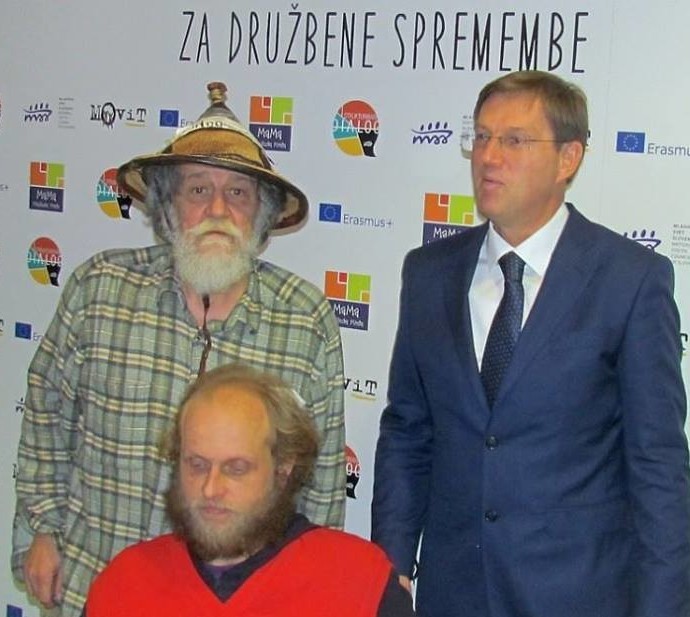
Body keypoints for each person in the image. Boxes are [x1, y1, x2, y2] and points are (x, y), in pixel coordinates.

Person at [12, 82, 346, 617]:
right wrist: (42, 529)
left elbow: (322, 477)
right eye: (197, 190)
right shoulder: (99, 288)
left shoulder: (304, 317)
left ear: (261, 214)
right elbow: (46, 415)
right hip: (97, 582)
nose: (218, 208)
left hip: (240, 602)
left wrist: (315, 587)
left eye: (238, 193)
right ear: (168, 206)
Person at [372, 70, 690, 617]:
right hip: (454, 594)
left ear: (569, 158)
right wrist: (390, 564)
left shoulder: (630, 280)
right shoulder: (428, 273)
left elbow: (657, 464)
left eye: (514, 140)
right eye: (481, 137)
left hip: (579, 596)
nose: (488, 157)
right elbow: (407, 430)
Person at [83, 364, 413, 617]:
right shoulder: (123, 586)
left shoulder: (358, 584)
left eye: (236, 469)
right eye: (197, 465)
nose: (211, 488)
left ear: (283, 467)